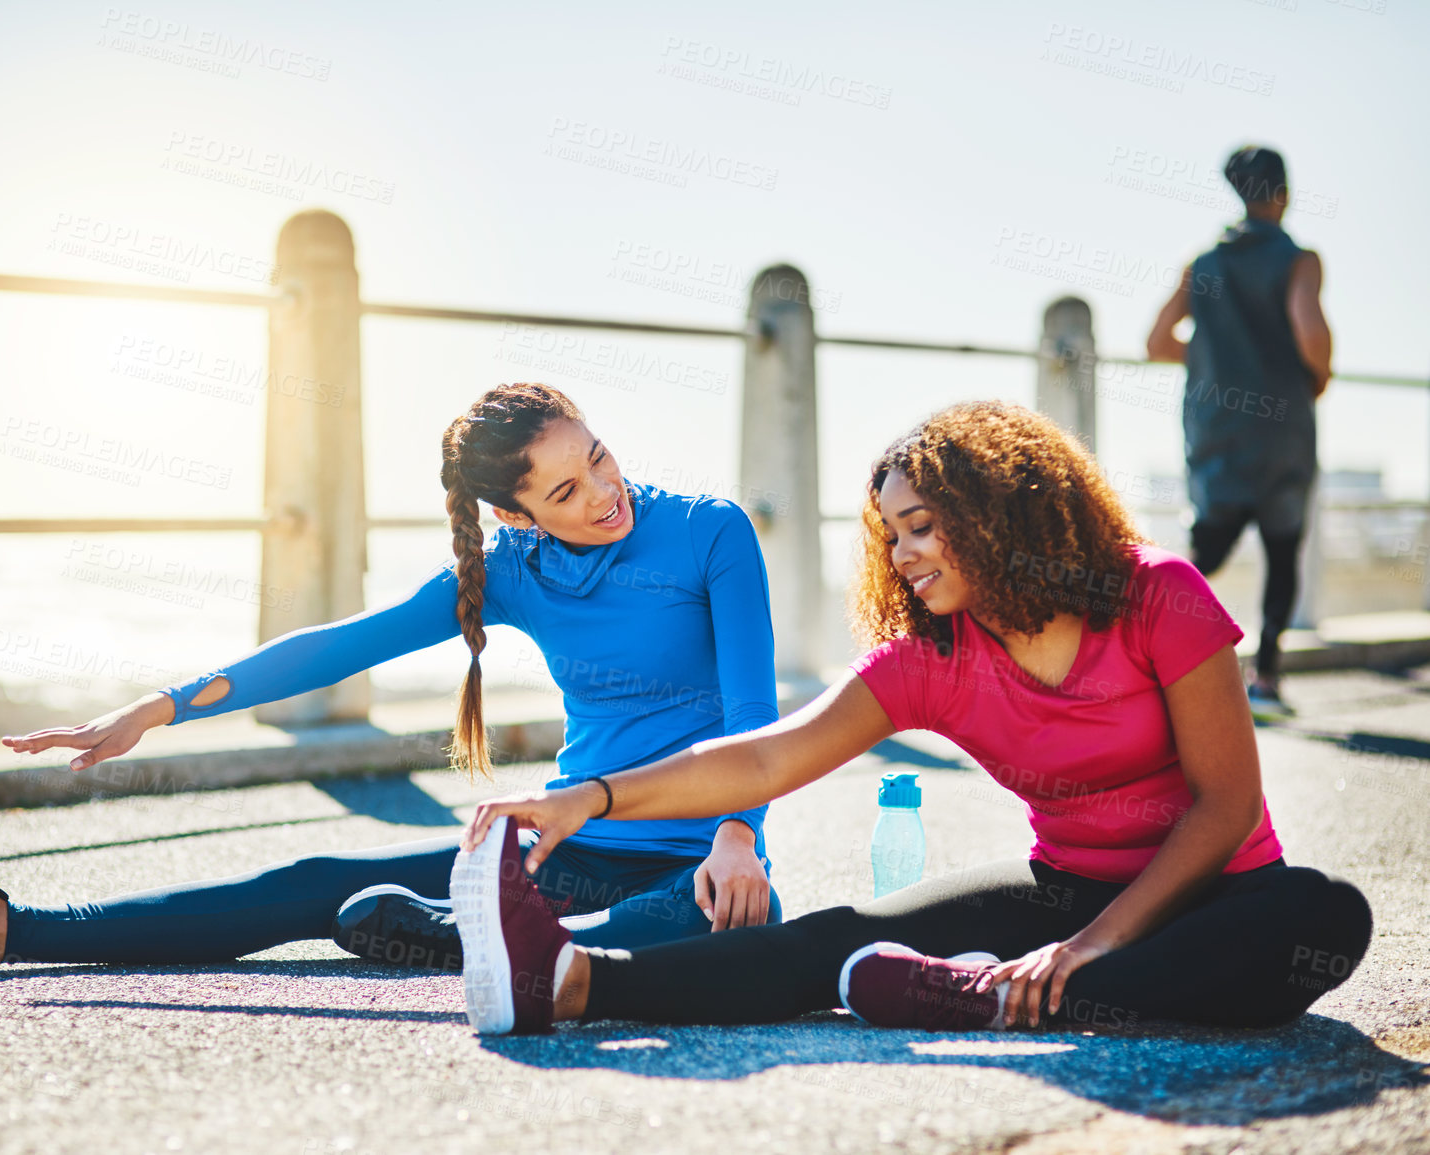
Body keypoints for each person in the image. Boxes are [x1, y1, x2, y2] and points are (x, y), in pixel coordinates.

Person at [451, 401, 1371, 1037]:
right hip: (1062, 887)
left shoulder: (1154, 593)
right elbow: (767, 760)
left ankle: (995, 995)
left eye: (923, 524)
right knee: (835, 936)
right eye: (891, 533)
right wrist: (587, 798)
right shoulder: (932, 656)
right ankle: (573, 984)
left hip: (1219, 894)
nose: (903, 553)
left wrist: (1083, 949)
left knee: (1323, 917)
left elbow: (1225, 806)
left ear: (999, 508)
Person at [0, 382, 785, 975]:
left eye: (595, 456)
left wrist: (738, 833)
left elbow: (753, 711)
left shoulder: (710, 533)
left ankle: (497, 942)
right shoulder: (512, 567)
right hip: (559, 846)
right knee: (315, 877)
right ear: (513, 514)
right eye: (561, 493)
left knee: (725, 915)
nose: (600, 492)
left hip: (699, 856)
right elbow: (340, 646)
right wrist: (159, 706)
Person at [1146, 144, 1334, 720]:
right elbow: (1312, 338)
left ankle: (1145, 658)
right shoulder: (1299, 261)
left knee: (1207, 549)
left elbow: (1157, 343)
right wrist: (1316, 378)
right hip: (1283, 434)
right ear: (1283, 193)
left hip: (1217, 430)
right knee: (1282, 550)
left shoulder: (1202, 265)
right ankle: (1266, 681)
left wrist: (1212, 365)